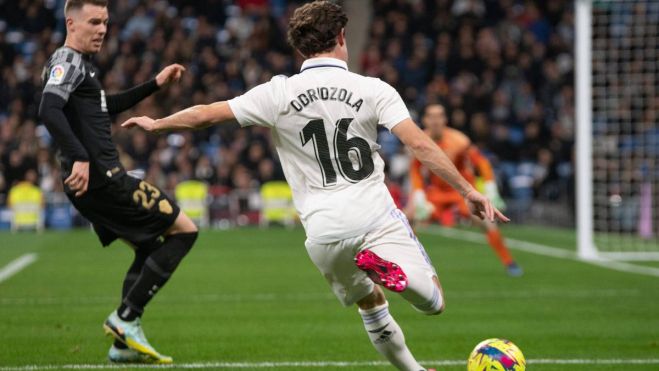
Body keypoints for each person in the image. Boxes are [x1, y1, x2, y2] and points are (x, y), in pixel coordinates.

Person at [122, 2, 508, 370]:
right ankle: (399, 275)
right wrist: (468, 191)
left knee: (370, 305)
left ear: (298, 47)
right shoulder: (373, 89)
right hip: (372, 214)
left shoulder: (278, 93)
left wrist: (157, 124)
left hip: (322, 231)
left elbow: (206, 115)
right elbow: (420, 145)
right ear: (341, 36)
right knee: (434, 301)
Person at [38, 0, 198, 364]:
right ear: (71, 23)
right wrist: (79, 156)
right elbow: (48, 108)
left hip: (94, 187)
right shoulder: (68, 61)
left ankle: (123, 345)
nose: (102, 29)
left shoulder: (80, 69)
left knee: (148, 247)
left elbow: (104, 105)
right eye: (94, 21)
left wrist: (155, 84)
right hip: (106, 180)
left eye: (106, 22)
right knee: (185, 231)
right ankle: (125, 319)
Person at [408, 104, 522, 276]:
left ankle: (509, 262)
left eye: (439, 116)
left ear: (445, 119)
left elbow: (481, 162)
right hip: (437, 191)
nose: (436, 120)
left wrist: (490, 187)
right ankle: (407, 264)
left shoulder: (458, 140)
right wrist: (418, 195)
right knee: (408, 218)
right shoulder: (420, 140)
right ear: (425, 120)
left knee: (487, 222)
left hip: (461, 191)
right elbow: (415, 169)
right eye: (432, 116)